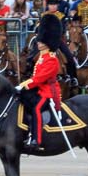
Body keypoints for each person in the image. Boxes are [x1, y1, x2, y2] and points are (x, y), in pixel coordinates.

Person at [21, 14, 65, 150]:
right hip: (40, 89)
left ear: (47, 43)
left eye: (40, 41)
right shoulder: (41, 56)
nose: (38, 43)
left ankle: (36, 139)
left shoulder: (52, 59)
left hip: (48, 93)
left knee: (37, 108)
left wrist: (24, 85)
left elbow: (40, 78)